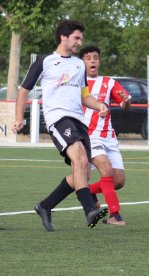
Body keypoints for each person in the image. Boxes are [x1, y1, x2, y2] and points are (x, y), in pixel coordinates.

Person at [13, 20, 109, 231]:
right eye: (76, 38)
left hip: (79, 121)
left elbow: (85, 96)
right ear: (63, 37)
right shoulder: (44, 61)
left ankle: (45, 206)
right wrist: (19, 118)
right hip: (58, 118)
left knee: (82, 173)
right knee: (80, 159)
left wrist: (99, 105)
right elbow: (23, 91)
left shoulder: (78, 65)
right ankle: (89, 210)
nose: (79, 42)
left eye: (81, 38)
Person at [78, 45, 130, 225]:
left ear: (99, 61)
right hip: (90, 136)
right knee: (106, 169)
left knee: (118, 180)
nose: (92, 60)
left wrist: (125, 101)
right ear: (82, 62)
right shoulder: (77, 83)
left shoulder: (109, 82)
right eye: (88, 58)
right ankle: (115, 215)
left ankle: (88, 191)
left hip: (109, 137)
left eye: (95, 57)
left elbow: (125, 105)